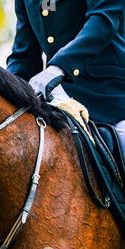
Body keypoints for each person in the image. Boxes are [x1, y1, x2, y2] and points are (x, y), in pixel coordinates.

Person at [7, 0, 125, 155]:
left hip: (110, 96)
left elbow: (103, 20)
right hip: (58, 97)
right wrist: (4, 89)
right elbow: (24, 57)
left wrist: (59, 67)